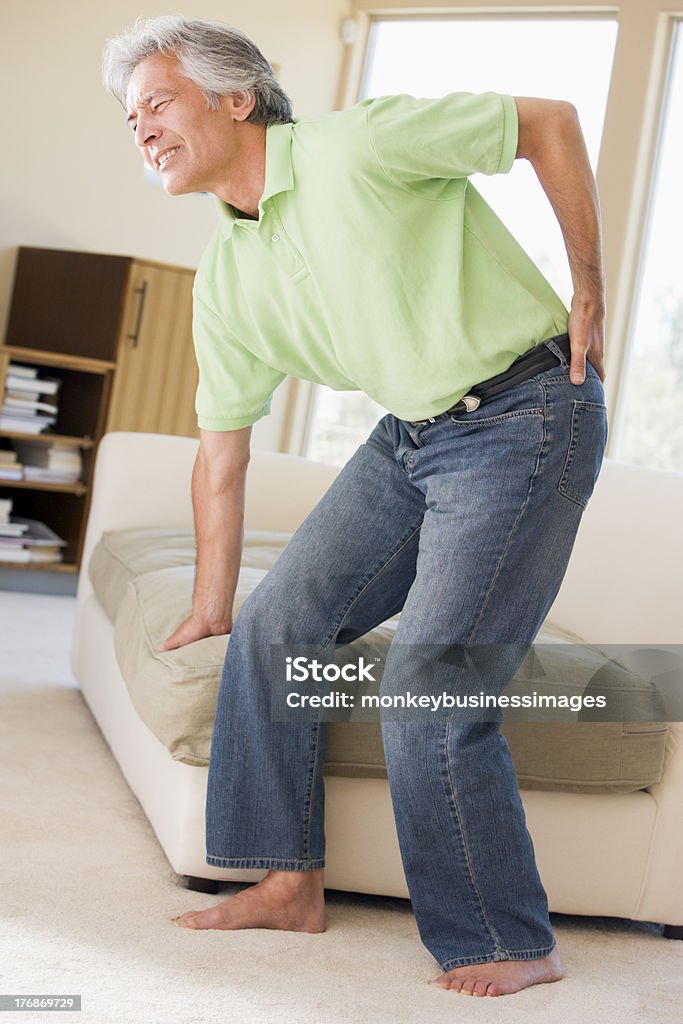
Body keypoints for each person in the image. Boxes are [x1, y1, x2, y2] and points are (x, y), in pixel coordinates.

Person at [103, 15, 608, 998]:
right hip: (415, 432)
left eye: (157, 101)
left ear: (235, 98)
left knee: (428, 685)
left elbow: (546, 121)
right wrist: (213, 603)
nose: (142, 128)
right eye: (130, 118)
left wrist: (585, 286)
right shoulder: (227, 274)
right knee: (273, 623)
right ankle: (287, 882)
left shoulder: (354, 146)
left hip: (527, 410)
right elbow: (221, 453)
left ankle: (505, 936)